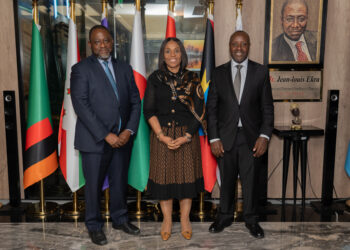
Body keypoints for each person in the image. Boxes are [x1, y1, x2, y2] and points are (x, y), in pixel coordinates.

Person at [70, 25, 141, 246]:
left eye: (106, 40)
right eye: (98, 42)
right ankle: (94, 225)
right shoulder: (80, 69)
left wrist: (128, 130)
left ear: (112, 42)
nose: (103, 45)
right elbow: (80, 104)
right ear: (90, 45)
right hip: (95, 141)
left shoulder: (124, 68)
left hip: (123, 140)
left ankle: (120, 219)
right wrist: (106, 135)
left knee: (119, 183)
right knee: (93, 186)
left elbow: (135, 102)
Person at [206, 31, 274, 239]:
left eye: (243, 44)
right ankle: (224, 216)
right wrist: (214, 138)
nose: (239, 48)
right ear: (229, 46)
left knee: (251, 180)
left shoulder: (260, 72)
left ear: (249, 46)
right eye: (235, 44)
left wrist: (265, 136)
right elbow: (212, 109)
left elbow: (268, 108)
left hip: (252, 138)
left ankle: (252, 221)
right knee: (226, 180)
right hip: (225, 137)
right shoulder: (218, 73)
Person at [143, 37, 206, 241]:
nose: (172, 55)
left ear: (182, 54)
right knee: (164, 181)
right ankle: (167, 220)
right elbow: (149, 110)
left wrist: (187, 135)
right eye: (168, 51)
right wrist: (161, 135)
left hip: (186, 136)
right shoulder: (154, 78)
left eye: (176, 51)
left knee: (186, 181)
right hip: (162, 135)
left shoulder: (193, 78)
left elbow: (199, 110)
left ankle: (185, 220)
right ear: (163, 55)